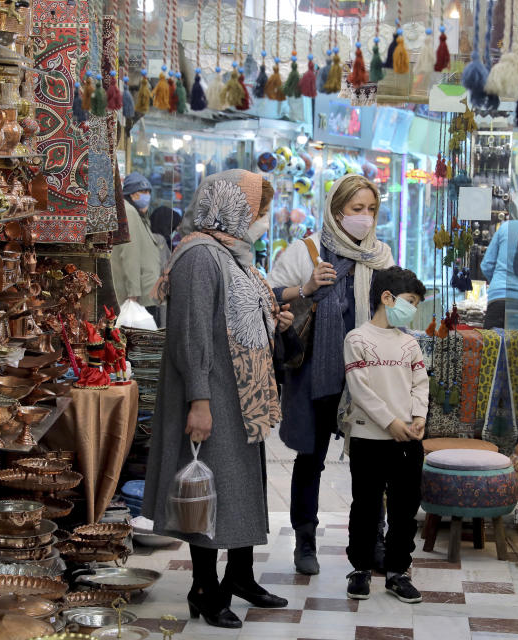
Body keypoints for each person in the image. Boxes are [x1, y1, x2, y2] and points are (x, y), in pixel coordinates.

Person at [142, 170, 294, 630]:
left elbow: (240, 314)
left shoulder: (232, 253)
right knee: (206, 489)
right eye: (258, 210)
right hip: (212, 393)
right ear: (232, 208)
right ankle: (205, 589)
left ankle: (241, 576)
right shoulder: (199, 257)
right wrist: (200, 401)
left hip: (238, 395)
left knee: (238, 485)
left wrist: (274, 320)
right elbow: (191, 335)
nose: (261, 219)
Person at [267, 174, 394, 575]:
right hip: (316, 375)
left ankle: (372, 538)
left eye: (371, 210)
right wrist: (305, 288)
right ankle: (304, 540)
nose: (365, 218)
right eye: (357, 209)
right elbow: (269, 295)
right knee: (311, 458)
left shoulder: (381, 256)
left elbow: (400, 310)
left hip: (368, 377)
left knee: (371, 464)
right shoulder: (306, 251)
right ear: (337, 210)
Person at [341, 266, 428, 603]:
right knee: (365, 506)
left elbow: (421, 384)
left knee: (405, 509)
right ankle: (360, 570)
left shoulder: (410, 343)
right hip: (369, 439)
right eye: (409, 301)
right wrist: (391, 422)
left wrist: (418, 417)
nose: (412, 309)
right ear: (386, 298)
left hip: (408, 441)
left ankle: (397, 573)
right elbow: (360, 391)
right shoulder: (357, 339)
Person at [111, 172, 163, 317]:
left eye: (148, 192)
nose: (146, 196)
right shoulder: (129, 212)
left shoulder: (138, 214)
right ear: (130, 194)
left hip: (146, 293)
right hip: (139, 297)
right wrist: (133, 293)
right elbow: (130, 254)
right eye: (141, 192)